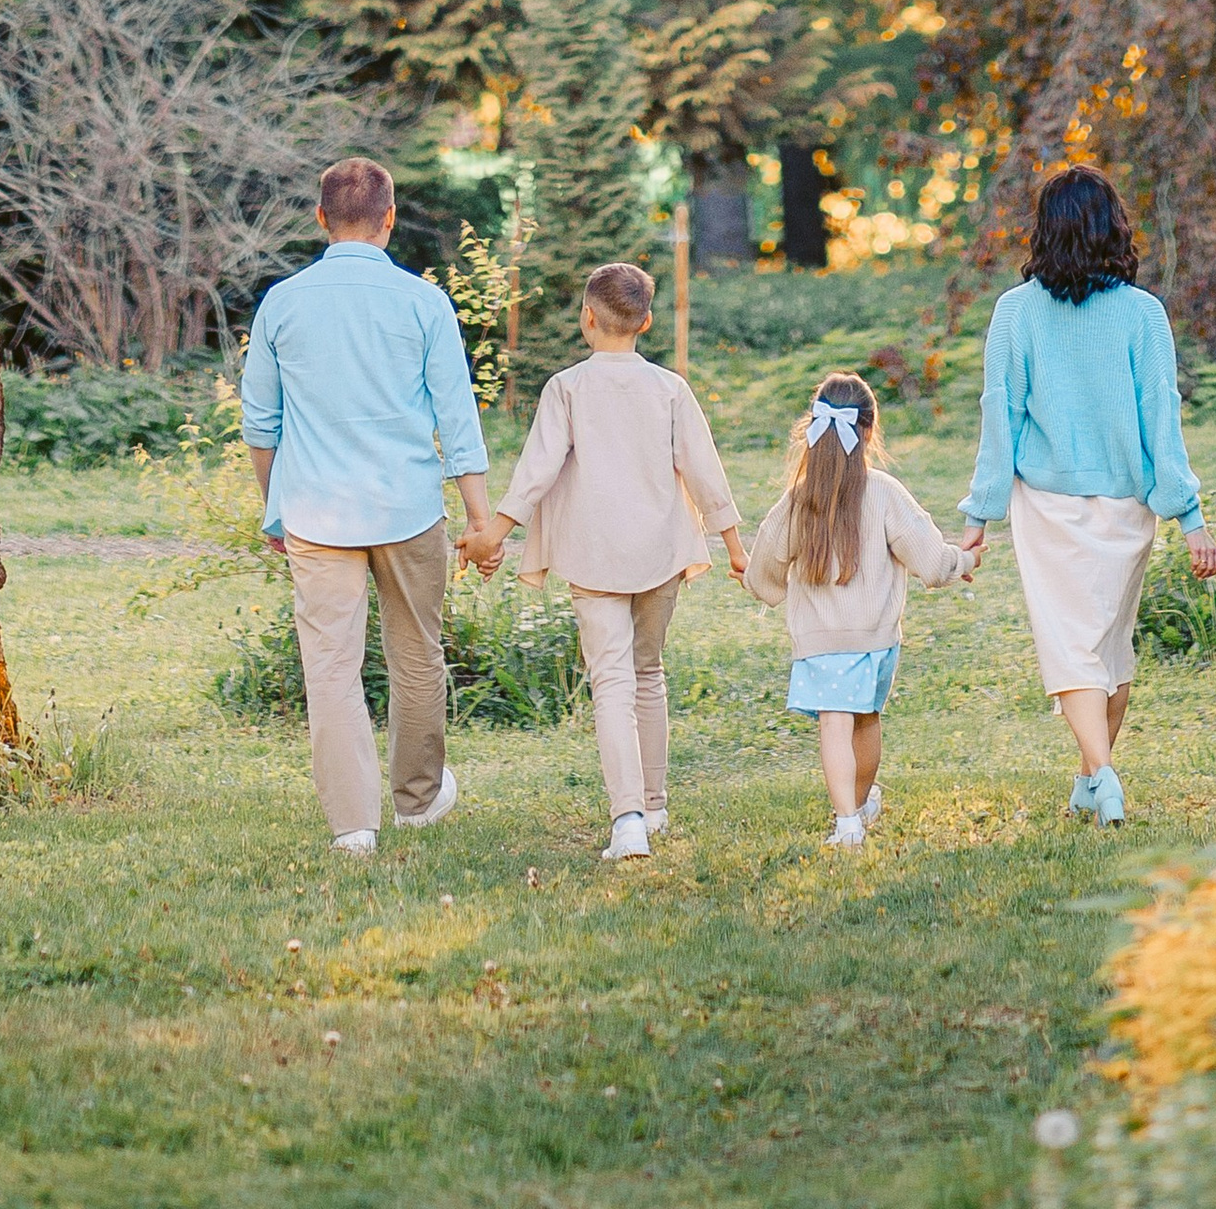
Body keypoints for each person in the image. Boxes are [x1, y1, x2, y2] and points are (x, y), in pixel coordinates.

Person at [240, 154, 502, 859]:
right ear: (390, 220)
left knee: (330, 667)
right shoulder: (423, 302)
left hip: (316, 512)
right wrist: (481, 520)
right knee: (417, 656)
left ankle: (353, 827)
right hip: (409, 508)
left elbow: (260, 424)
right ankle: (417, 802)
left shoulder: (282, 302)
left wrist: (276, 508)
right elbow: (458, 417)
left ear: (321, 219)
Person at [960, 164, 1216, 828]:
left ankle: (1101, 774)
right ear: (1114, 227)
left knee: (1073, 644)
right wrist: (1189, 517)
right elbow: (1161, 418)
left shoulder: (1014, 311)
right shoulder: (1143, 313)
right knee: (1108, 646)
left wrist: (980, 514)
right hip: (1128, 505)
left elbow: (1002, 414)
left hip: (1045, 505)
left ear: (1044, 231)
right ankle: (1089, 781)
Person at [472, 258, 747, 863]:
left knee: (613, 682)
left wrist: (494, 531)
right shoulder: (670, 389)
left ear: (587, 318)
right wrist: (733, 547)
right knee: (647, 674)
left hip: (595, 556)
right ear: (646, 321)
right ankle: (654, 803)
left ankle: (628, 820)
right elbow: (704, 470)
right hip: (661, 552)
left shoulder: (567, 388)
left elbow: (537, 469)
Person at [742, 368, 975, 849]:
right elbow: (931, 561)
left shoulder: (798, 499)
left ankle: (848, 820)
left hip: (821, 643)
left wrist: (760, 583)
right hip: (875, 642)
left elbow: (765, 561)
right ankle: (860, 802)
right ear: (868, 431)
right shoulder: (885, 493)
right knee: (864, 719)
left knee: (834, 722)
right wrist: (964, 559)